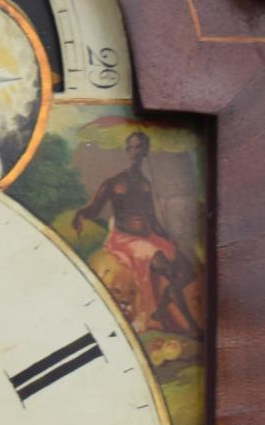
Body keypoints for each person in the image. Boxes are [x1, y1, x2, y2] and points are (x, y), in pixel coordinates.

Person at [73, 130, 199, 337]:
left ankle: (162, 306)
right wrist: (80, 214)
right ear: (126, 150)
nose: (134, 152)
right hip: (125, 239)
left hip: (148, 236)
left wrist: (166, 237)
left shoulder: (145, 184)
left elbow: (151, 218)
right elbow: (94, 209)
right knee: (166, 267)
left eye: (139, 147)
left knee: (187, 270)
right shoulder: (114, 182)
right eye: (131, 147)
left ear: (145, 150)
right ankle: (192, 328)